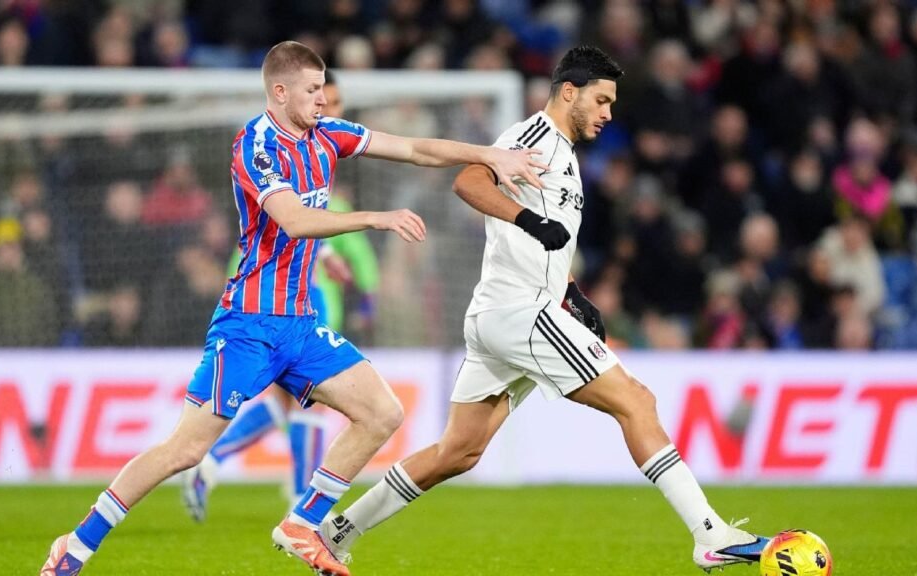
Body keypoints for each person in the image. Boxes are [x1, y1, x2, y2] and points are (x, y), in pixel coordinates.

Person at [40, 40, 546, 576]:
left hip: (301, 325)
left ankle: (302, 523)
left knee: (382, 413)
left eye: (324, 88)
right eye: (312, 90)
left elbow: (416, 148)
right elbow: (296, 220)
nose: (323, 100)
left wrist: (489, 154)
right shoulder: (254, 144)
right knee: (184, 450)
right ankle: (74, 545)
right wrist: (376, 218)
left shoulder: (328, 135)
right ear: (280, 92)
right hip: (248, 325)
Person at [318, 46, 768, 573]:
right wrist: (528, 222)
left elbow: (548, 242)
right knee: (636, 402)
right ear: (569, 92)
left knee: (458, 452)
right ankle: (708, 534)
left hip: (507, 313)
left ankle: (333, 531)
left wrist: (571, 293)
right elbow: (468, 180)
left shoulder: (565, 156)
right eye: (601, 100)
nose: (607, 113)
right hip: (519, 312)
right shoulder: (534, 138)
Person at [179, 69, 368, 520]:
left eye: (337, 103)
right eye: (326, 99)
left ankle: (218, 463)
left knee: (289, 406)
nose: (331, 111)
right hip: (278, 303)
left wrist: (331, 262)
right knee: (303, 405)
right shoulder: (278, 153)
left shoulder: (319, 161)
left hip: (299, 299)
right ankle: (297, 499)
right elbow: (289, 225)